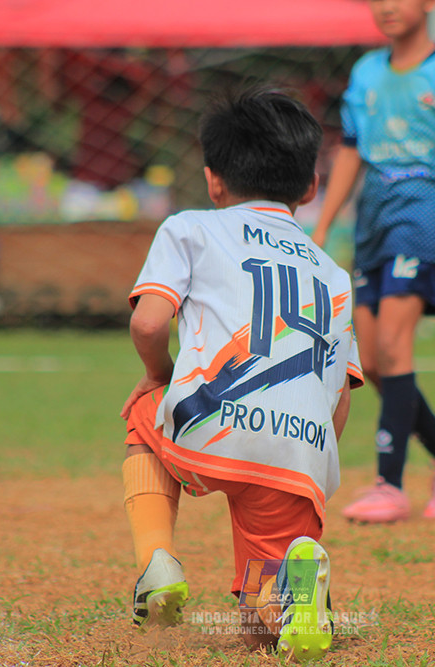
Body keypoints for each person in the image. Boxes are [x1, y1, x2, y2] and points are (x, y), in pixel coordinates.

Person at [120, 87, 364, 660]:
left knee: (142, 413)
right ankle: (296, 590)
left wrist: (156, 377)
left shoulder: (190, 228)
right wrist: (297, 451)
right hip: (301, 451)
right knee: (260, 631)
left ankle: (156, 560)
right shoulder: (334, 274)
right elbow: (340, 404)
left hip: (209, 424)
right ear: (310, 188)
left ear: (214, 180)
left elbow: (150, 325)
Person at [311, 0, 435, 523]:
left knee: (395, 345)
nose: (387, 6)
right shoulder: (366, 73)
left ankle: (388, 485)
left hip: (429, 215)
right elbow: (352, 149)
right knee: (372, 361)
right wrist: (323, 224)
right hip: (376, 219)